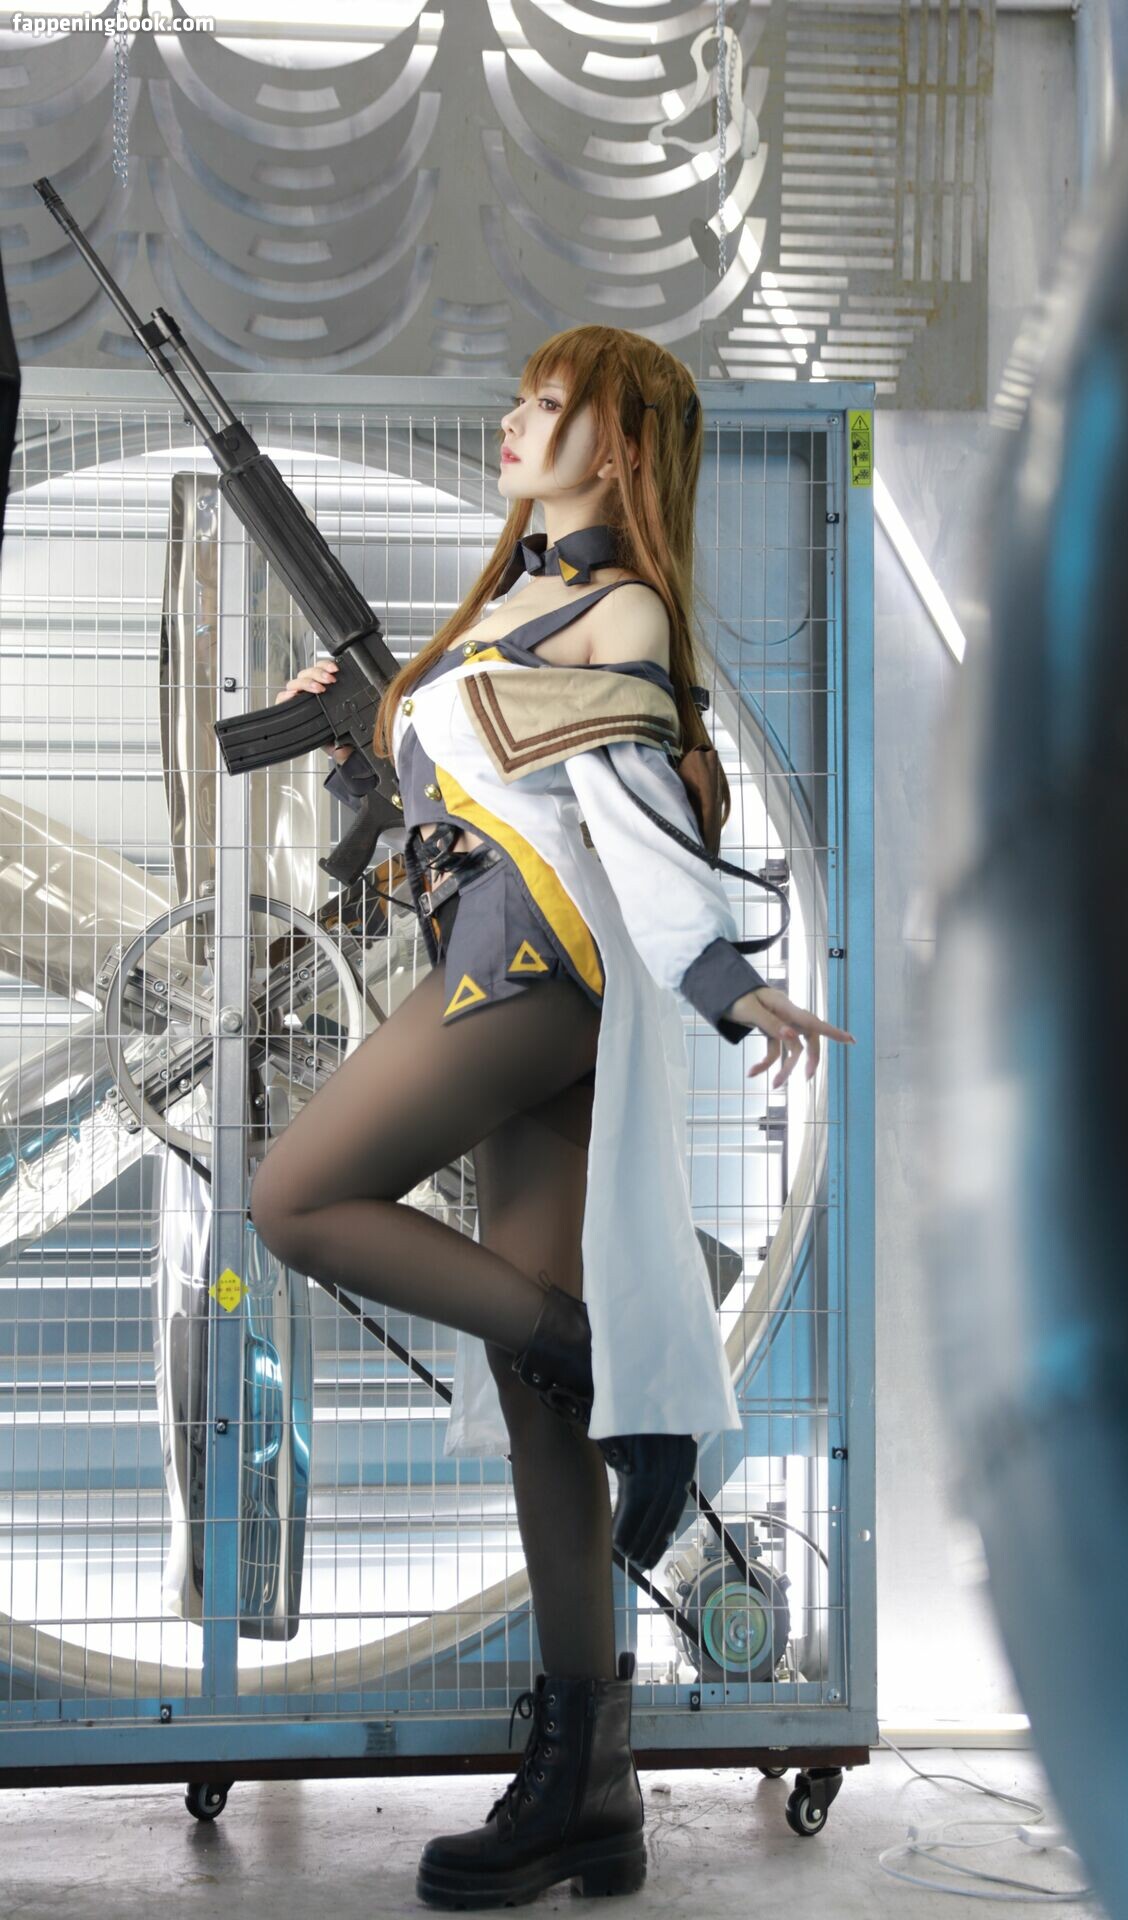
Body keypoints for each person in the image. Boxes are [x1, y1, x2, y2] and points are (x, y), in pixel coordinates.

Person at [248, 324, 855, 1910]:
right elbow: (472, 807)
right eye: (523, 398)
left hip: (531, 967)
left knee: (293, 1198)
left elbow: (637, 811)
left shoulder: (619, 604)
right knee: (531, 1394)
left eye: (552, 403)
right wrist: (367, 738)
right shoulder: (512, 600)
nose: (517, 421)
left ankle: (607, 1360)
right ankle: (593, 1784)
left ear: (623, 443)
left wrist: (728, 979)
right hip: (497, 948)